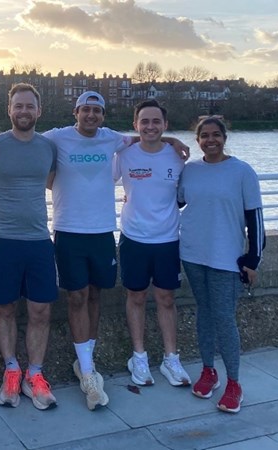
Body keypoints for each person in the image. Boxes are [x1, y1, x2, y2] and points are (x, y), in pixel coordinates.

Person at [43, 92, 188, 410]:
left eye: (97, 110)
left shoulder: (112, 139)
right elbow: (26, 142)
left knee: (96, 295)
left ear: (103, 115)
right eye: (85, 110)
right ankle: (87, 370)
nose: (91, 115)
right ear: (75, 112)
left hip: (102, 231)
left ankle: (87, 361)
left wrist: (174, 139)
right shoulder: (57, 136)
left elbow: (146, 137)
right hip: (68, 230)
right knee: (77, 297)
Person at [178, 116, 265, 414]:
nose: (210, 140)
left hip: (226, 257)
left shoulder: (242, 171)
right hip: (192, 253)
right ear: (198, 140)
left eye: (216, 135)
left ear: (225, 138)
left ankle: (234, 383)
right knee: (204, 312)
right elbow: (173, 203)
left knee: (224, 318)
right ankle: (208, 371)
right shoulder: (190, 170)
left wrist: (253, 259)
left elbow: (255, 219)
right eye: (204, 136)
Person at [0, 83, 59, 411]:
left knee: (40, 310)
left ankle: (35, 374)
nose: (24, 111)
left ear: (38, 110)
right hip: (4, 239)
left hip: (39, 240)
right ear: (9, 110)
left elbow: (53, 182)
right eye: (18, 106)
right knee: (4, 308)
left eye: (30, 106)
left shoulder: (48, 147)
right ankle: (12, 370)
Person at [113, 99, 191, 388]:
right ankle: (139, 357)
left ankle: (171, 358)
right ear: (135, 125)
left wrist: (172, 141)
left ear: (165, 124)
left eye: (156, 121)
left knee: (166, 299)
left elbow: (184, 195)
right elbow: (98, 174)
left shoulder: (177, 156)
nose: (150, 126)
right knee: (135, 297)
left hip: (167, 239)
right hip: (134, 238)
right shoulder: (124, 154)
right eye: (144, 121)